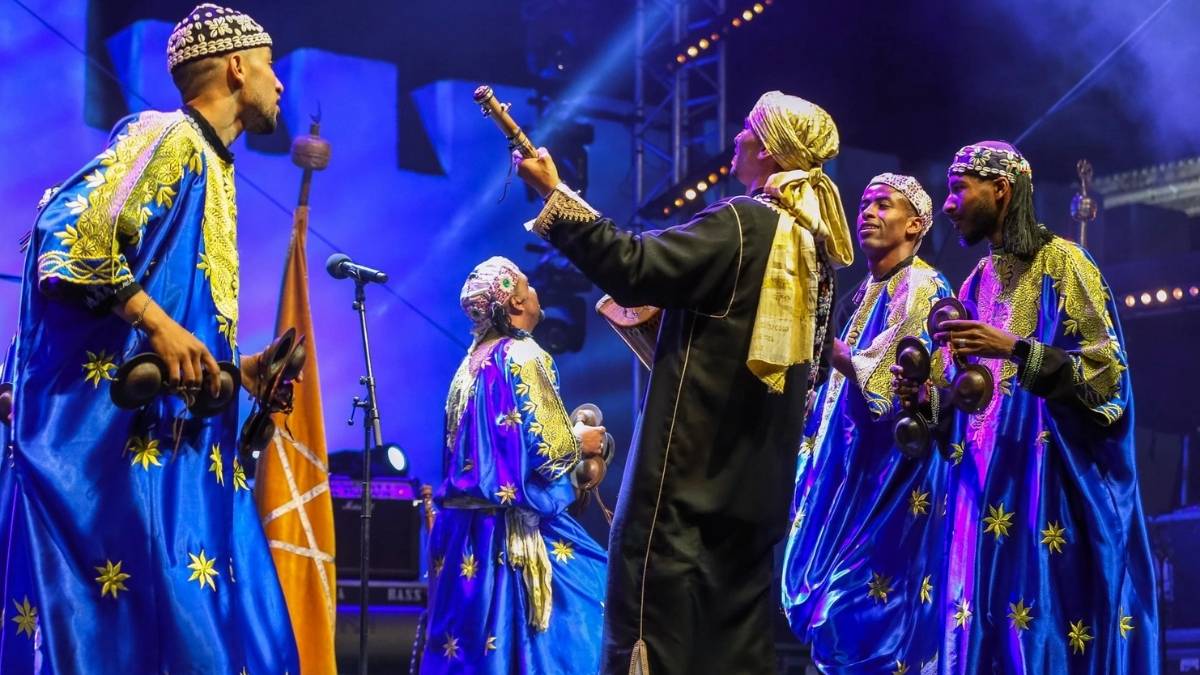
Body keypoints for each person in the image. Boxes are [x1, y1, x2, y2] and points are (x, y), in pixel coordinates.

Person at [0, 4, 298, 672]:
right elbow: (66, 231)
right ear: (235, 66)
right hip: (141, 468)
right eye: (270, 66)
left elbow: (178, 320)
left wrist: (241, 372)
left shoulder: (213, 167)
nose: (279, 84)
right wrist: (157, 323)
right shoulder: (170, 136)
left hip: (187, 462)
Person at [515, 91, 855, 674]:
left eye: (749, 130)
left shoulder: (745, 226)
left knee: (658, 647)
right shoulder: (811, 252)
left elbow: (633, 268)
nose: (738, 139)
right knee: (733, 657)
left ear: (772, 151)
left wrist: (554, 195)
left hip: (682, 496)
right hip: (751, 499)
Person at [898, 141, 1158, 672]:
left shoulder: (1064, 263)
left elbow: (1108, 377)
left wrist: (1014, 348)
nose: (948, 204)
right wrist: (927, 398)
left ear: (1001, 190)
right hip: (983, 496)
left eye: (958, 188)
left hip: (1048, 494)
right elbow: (964, 393)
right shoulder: (974, 282)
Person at [781, 173, 953, 672]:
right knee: (826, 609)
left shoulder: (921, 284)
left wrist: (819, 338)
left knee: (857, 612)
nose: (868, 212)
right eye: (864, 202)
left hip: (888, 480)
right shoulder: (864, 292)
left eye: (884, 204)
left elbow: (887, 381)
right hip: (844, 471)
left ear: (916, 224)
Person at [421, 256, 609, 674]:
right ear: (515, 305)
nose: (537, 291)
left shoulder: (467, 366)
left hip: (467, 538)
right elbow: (551, 451)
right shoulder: (523, 354)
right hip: (513, 535)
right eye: (528, 284)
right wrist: (582, 441)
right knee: (601, 608)